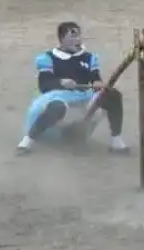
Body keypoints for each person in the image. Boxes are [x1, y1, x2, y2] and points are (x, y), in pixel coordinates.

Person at [17, 22, 129, 154]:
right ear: (62, 39)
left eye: (78, 36)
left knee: (112, 95)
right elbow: (44, 84)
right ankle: (27, 142)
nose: (77, 40)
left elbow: (95, 79)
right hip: (57, 101)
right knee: (57, 106)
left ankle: (116, 142)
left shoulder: (89, 58)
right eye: (72, 36)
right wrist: (60, 83)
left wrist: (98, 83)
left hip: (82, 102)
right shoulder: (48, 58)